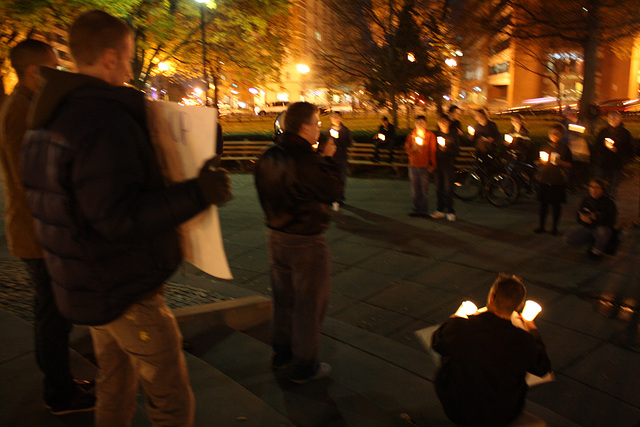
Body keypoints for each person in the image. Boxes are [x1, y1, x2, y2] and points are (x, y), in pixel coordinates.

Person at [20, 11, 232, 426]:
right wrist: (198, 192)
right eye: (131, 57)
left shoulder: (48, 114)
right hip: (124, 288)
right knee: (169, 398)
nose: (132, 67)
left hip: (89, 279)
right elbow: (117, 218)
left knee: (114, 385)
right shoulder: (102, 120)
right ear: (112, 57)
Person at [0, 39, 96, 415]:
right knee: (52, 318)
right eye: (54, 68)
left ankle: (61, 382)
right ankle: (58, 393)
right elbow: (31, 181)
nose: (59, 75)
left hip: (38, 231)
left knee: (53, 315)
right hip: (38, 235)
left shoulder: (26, 105)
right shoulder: (20, 113)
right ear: (34, 73)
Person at [254, 101, 340, 383]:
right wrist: (328, 158)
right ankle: (305, 364)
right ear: (304, 127)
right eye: (317, 123)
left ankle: (281, 353)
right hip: (306, 241)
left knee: (283, 299)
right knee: (309, 304)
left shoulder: (268, 156)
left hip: (275, 236)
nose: (319, 129)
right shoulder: (307, 161)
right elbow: (331, 191)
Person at [432, 274, 552, 427]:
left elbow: (437, 343)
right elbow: (542, 368)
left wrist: (458, 315)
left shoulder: (462, 326)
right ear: (519, 305)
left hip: (457, 407)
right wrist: (530, 325)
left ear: (492, 296)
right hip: (501, 413)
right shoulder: (523, 340)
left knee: (450, 355)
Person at [534, 123, 573, 235]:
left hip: (558, 180)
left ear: (561, 135)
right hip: (543, 178)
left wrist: (560, 162)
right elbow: (535, 161)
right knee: (543, 205)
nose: (554, 135)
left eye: (557, 133)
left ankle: (554, 228)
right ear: (548, 134)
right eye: (552, 133)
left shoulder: (564, 148)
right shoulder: (543, 146)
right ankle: (541, 226)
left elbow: (570, 164)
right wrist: (541, 162)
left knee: (556, 206)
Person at [564, 178, 617, 258]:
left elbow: (610, 221)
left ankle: (597, 250)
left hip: (602, 228)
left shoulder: (609, 202)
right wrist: (583, 220)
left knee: (601, 232)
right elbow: (579, 215)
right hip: (588, 227)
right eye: (591, 187)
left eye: (597, 188)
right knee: (569, 239)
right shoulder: (586, 200)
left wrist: (595, 219)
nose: (593, 190)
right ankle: (592, 241)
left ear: (603, 190)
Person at [594, 111, 634, 198]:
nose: (613, 120)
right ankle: (599, 198)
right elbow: (596, 146)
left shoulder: (625, 133)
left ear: (620, 119)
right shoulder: (603, 132)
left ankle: (610, 201)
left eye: (615, 118)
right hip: (603, 162)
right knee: (599, 182)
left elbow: (629, 150)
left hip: (616, 164)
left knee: (613, 184)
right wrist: (604, 146)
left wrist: (616, 150)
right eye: (610, 118)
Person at [405, 115, 437, 217]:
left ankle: (423, 210)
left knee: (424, 190)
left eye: (422, 122)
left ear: (425, 124)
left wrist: (433, 165)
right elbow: (407, 151)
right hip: (413, 166)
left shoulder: (430, 136)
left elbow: (433, 151)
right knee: (415, 190)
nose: (420, 124)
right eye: (418, 122)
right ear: (415, 124)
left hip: (424, 167)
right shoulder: (411, 136)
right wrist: (413, 148)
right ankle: (416, 209)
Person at [431, 115, 459, 221]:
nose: (443, 123)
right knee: (439, 189)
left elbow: (456, 152)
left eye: (445, 121)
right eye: (441, 121)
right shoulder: (435, 134)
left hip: (448, 165)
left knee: (448, 189)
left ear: (449, 123)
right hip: (437, 165)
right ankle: (440, 210)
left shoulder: (453, 135)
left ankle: (451, 211)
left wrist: (445, 149)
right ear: (438, 123)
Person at [561, 109, 591, 191]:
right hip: (571, 149)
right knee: (571, 169)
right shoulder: (565, 124)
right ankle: (570, 185)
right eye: (569, 114)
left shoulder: (578, 123)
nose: (570, 116)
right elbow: (564, 136)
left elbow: (582, 133)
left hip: (580, 150)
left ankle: (578, 184)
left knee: (580, 168)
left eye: (572, 114)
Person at [329, 111, 353, 205]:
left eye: (337, 117)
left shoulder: (345, 130)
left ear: (340, 118)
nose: (335, 118)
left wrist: (338, 139)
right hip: (332, 157)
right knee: (332, 177)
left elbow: (349, 144)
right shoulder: (329, 129)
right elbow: (327, 142)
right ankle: (333, 196)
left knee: (341, 177)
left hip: (341, 157)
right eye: (333, 117)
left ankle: (340, 196)